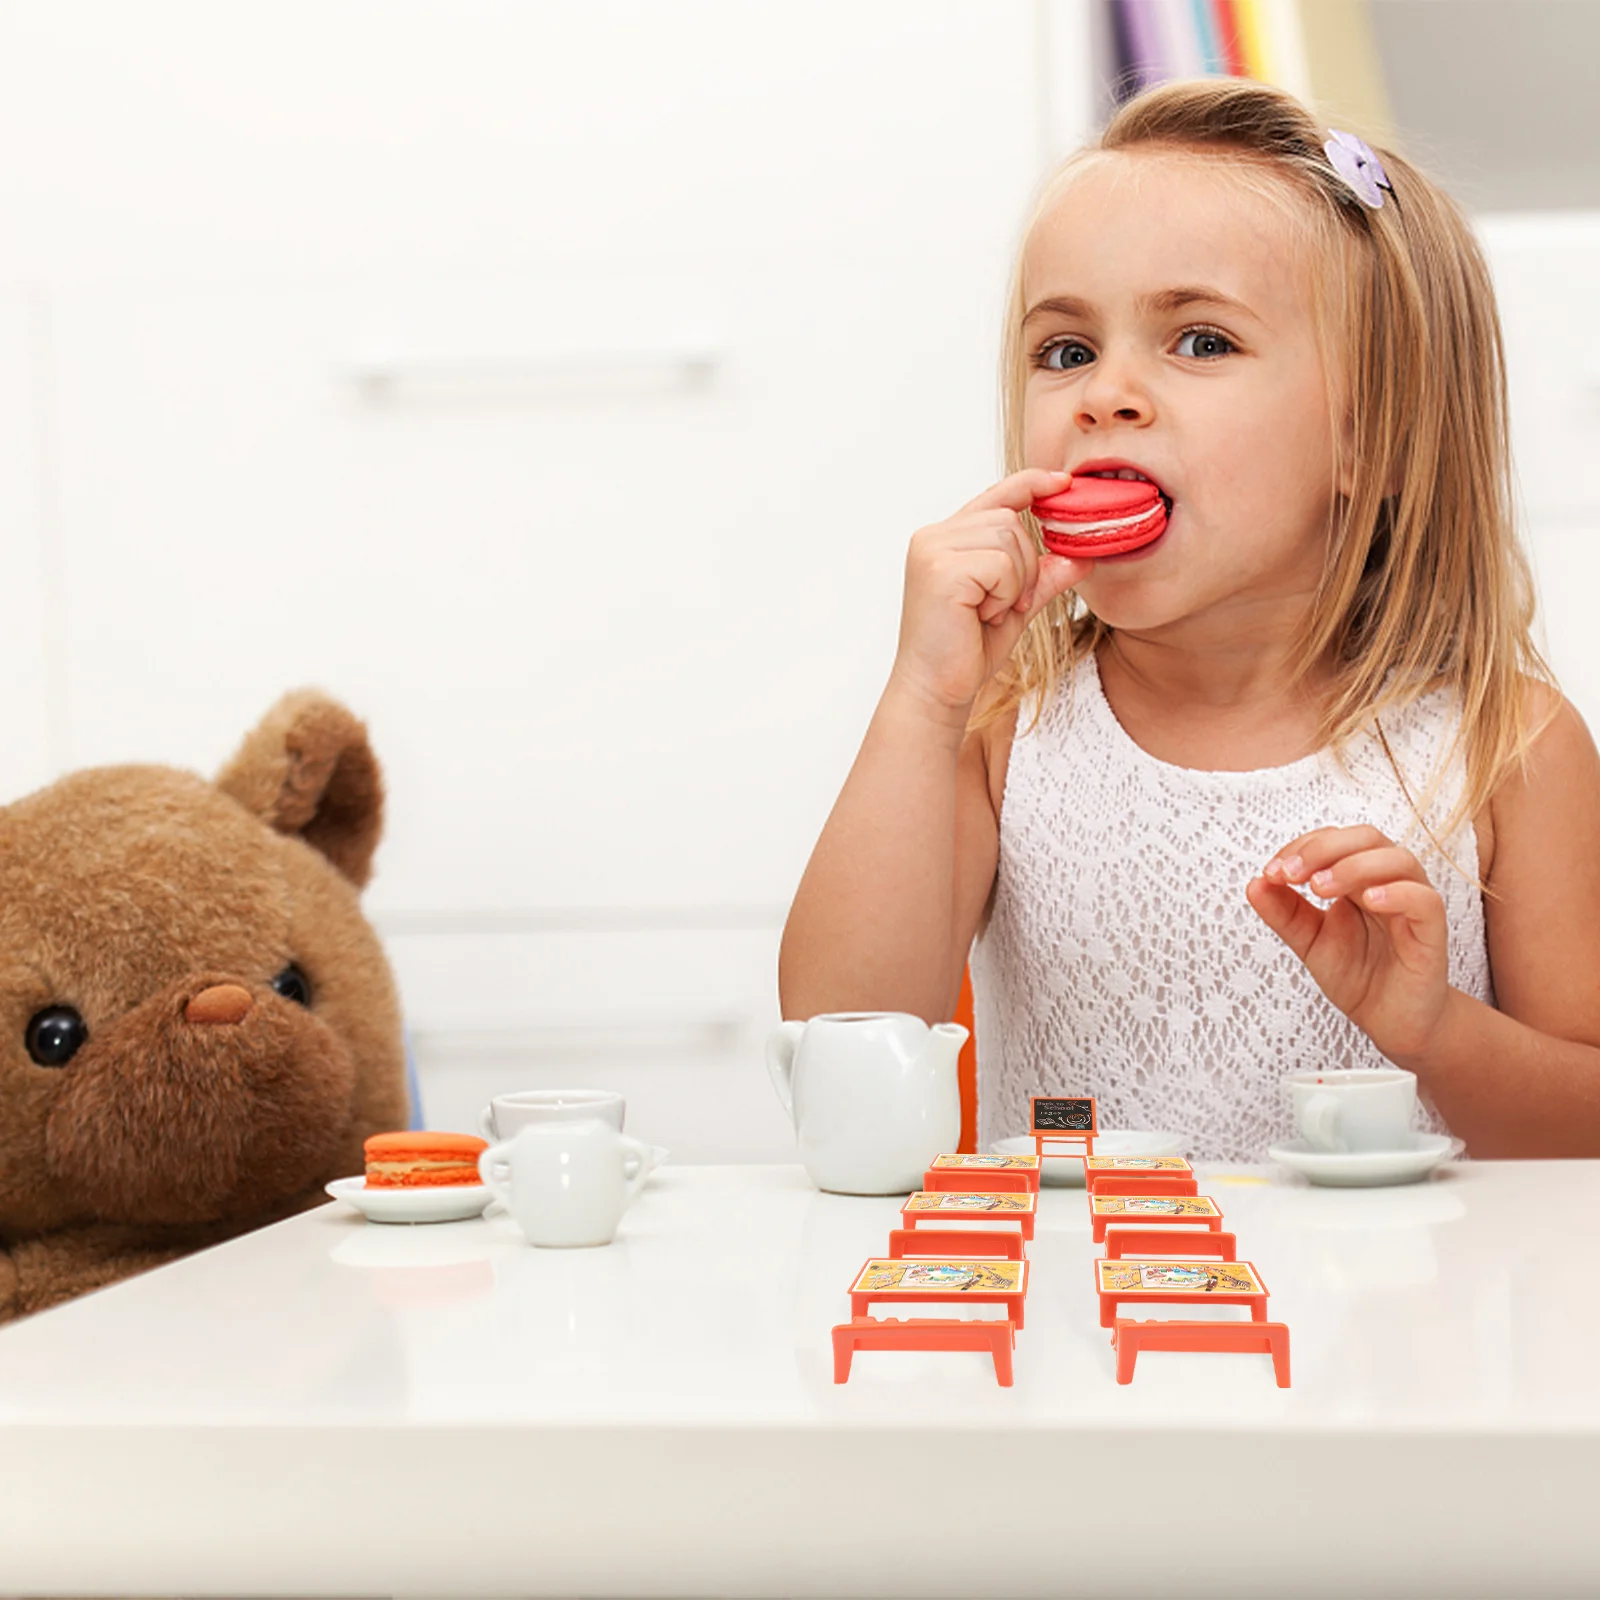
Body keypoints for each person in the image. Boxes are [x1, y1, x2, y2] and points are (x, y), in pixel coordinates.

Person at [778, 77, 1600, 1161]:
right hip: (1079, 1325)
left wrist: (1431, 1027)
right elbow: (842, 1051)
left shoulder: (1503, 746)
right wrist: (921, 701)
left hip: (1400, 1325)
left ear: (1377, 441)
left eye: (1199, 341)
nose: (1102, 395)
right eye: (1065, 351)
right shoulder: (1000, 730)